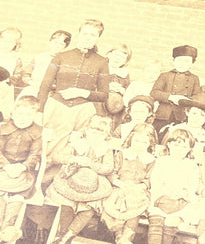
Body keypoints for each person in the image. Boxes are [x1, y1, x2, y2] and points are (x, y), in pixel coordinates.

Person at [46, 115, 114, 244]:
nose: (95, 136)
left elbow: (108, 168)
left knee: (88, 210)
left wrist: (91, 164)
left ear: (106, 135)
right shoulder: (77, 144)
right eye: (93, 131)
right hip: (70, 184)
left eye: (100, 133)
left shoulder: (105, 149)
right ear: (86, 130)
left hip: (92, 189)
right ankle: (63, 242)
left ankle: (62, 241)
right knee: (67, 204)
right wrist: (72, 159)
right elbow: (57, 157)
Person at [38, 19, 110, 158]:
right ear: (79, 34)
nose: (88, 37)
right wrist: (39, 111)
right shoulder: (61, 56)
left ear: (98, 38)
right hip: (56, 108)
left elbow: (104, 95)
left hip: (82, 111)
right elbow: (44, 86)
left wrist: (81, 92)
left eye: (93, 35)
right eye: (85, 33)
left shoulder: (102, 61)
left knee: (71, 149)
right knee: (47, 144)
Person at [144, 128, 199, 244]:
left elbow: (192, 186)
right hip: (162, 198)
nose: (179, 149)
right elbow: (156, 182)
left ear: (189, 149)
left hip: (181, 201)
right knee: (157, 218)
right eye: (175, 145)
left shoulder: (191, 165)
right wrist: (166, 193)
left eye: (183, 146)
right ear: (168, 145)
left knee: (171, 222)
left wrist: (180, 194)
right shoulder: (162, 161)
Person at [102, 123, 157, 244]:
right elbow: (112, 172)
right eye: (137, 140)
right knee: (112, 205)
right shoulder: (122, 154)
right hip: (119, 187)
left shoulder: (150, 160)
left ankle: (124, 242)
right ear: (130, 139)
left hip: (138, 191)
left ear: (150, 143)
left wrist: (141, 186)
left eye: (144, 142)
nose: (140, 144)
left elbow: (150, 179)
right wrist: (120, 183)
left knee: (134, 210)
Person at [0, 96, 42, 243]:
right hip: (3, 168)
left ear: (35, 116)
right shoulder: (4, 129)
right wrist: (6, 166)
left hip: (23, 171)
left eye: (29, 115)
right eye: (20, 114)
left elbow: (35, 155)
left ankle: (8, 228)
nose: (24, 118)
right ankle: (3, 228)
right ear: (13, 113)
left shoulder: (37, 132)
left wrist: (22, 166)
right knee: (2, 193)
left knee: (18, 194)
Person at [150, 45, 201, 135]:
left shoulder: (194, 78)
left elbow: (197, 97)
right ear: (173, 61)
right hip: (163, 115)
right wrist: (171, 97)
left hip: (182, 115)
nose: (182, 64)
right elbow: (154, 92)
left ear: (192, 63)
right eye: (179, 60)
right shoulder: (165, 75)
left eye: (186, 61)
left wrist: (186, 101)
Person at [161, 93, 205, 162]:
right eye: (194, 113)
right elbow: (163, 151)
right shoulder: (174, 130)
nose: (197, 118)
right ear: (187, 112)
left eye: (202, 115)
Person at [18, 30, 72, 98]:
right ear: (50, 42)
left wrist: (51, 87)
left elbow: (63, 82)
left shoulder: (64, 62)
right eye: (55, 42)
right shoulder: (39, 57)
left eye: (61, 44)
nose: (57, 46)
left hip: (50, 93)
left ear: (65, 47)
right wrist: (29, 81)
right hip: (33, 88)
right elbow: (26, 73)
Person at [98, 43, 132, 130]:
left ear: (125, 61)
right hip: (97, 105)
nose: (118, 59)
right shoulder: (99, 68)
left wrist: (122, 90)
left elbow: (128, 92)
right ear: (109, 54)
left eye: (122, 57)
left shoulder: (124, 74)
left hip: (113, 109)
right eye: (116, 55)